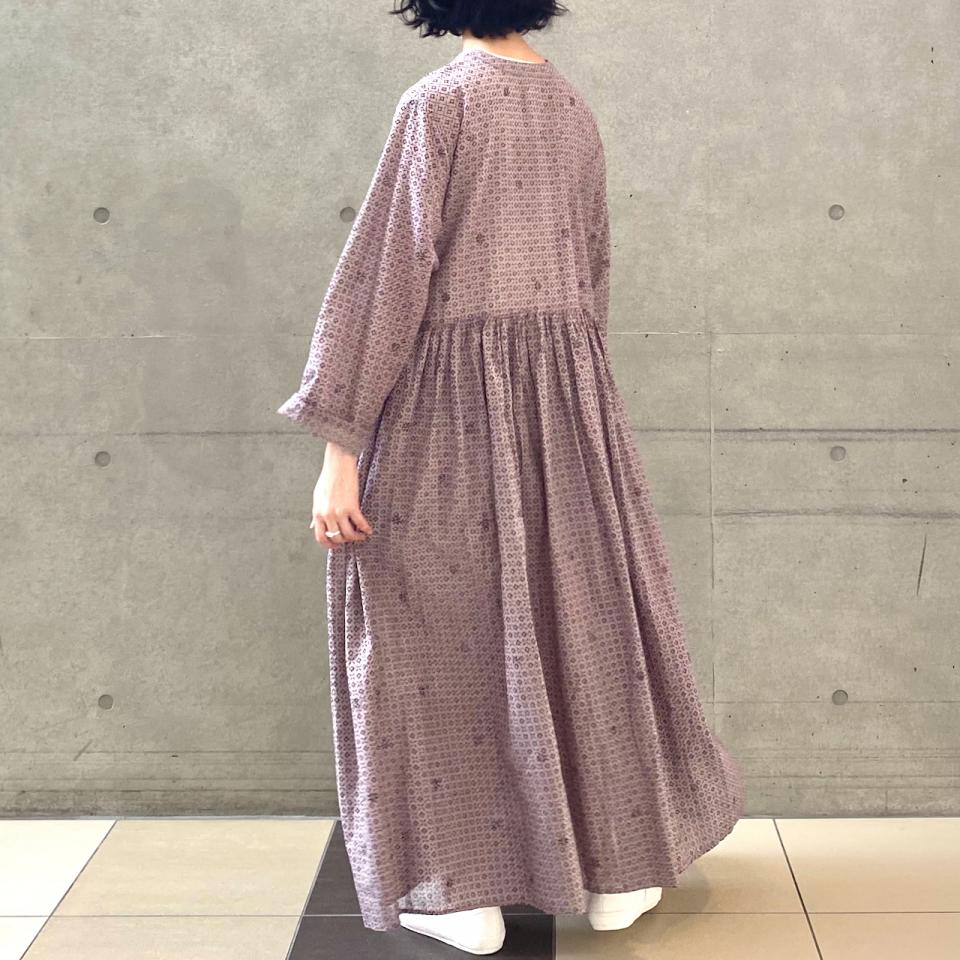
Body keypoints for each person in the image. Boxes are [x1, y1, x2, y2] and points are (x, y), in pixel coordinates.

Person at [277, 1, 747, 954]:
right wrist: (569, 400)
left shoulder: (438, 103)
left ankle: (459, 890)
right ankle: (619, 872)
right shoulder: (570, 106)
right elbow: (592, 278)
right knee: (583, 625)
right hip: (570, 410)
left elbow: (384, 280)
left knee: (426, 640)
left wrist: (340, 450)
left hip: (446, 414)